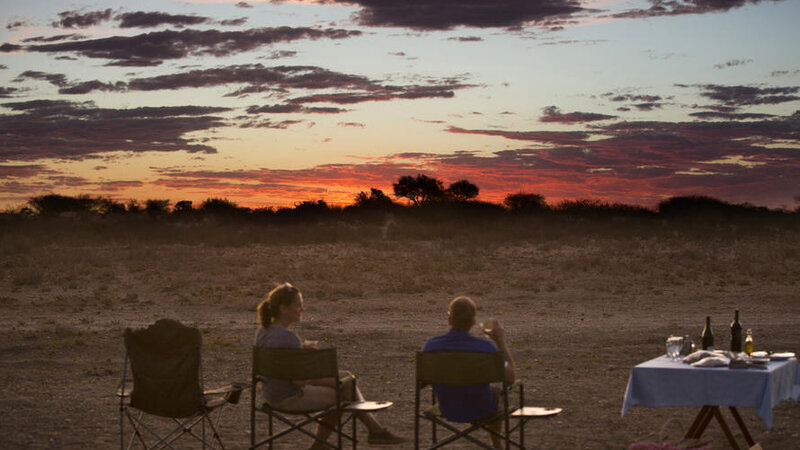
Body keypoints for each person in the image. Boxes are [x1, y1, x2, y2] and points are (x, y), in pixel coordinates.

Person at [255, 283, 404, 448]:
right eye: (298, 305)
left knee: (346, 378)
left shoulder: (263, 332)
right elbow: (298, 381)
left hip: (271, 393)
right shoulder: (289, 338)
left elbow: (282, 363)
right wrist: (332, 381)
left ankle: (374, 431)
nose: (302, 309)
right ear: (283, 309)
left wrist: (302, 352)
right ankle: (369, 432)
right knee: (344, 392)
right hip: (289, 397)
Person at [421, 296, 516, 450]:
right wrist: (500, 341)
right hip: (483, 409)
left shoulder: (431, 346)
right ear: (473, 322)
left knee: (490, 389)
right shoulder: (486, 348)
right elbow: (510, 377)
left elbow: (423, 381)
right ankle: (497, 445)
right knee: (497, 390)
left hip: (448, 408)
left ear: (449, 319)